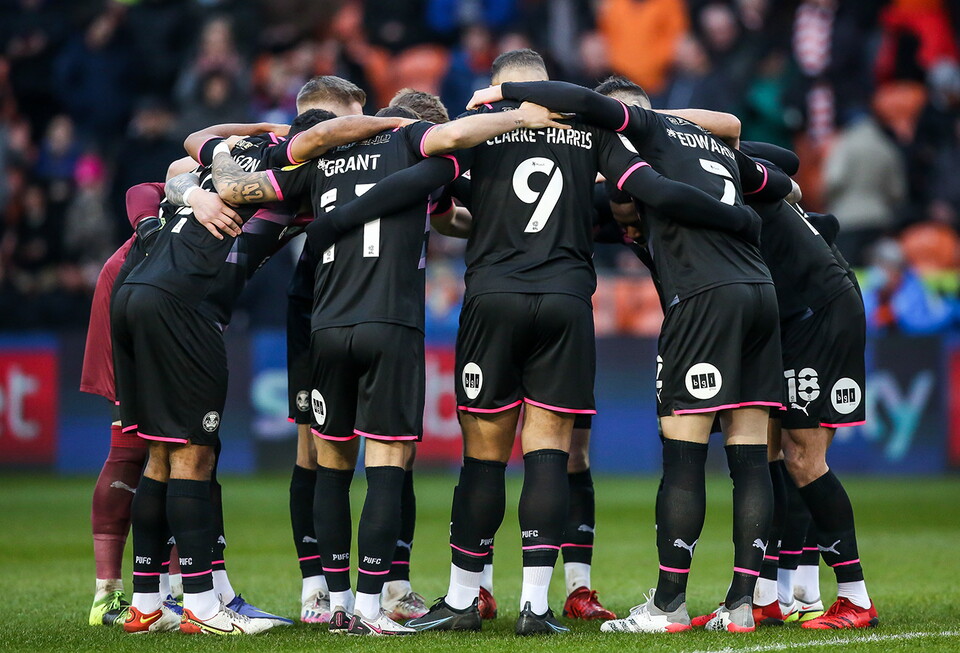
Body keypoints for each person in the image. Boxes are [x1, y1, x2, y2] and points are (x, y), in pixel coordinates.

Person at [307, 50, 765, 636]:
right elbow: (636, 190)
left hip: (493, 299)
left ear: (498, 89)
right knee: (549, 452)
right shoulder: (591, 131)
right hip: (567, 301)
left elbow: (424, 189)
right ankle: (536, 607)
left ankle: (463, 599)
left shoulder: (478, 132)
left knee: (483, 458)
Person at [210, 93, 570, 636]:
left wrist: (199, 185)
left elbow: (236, 184)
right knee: (386, 469)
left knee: (330, 469)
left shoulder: (318, 163)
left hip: (325, 328)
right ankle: (375, 609)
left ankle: (334, 604)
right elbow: (452, 148)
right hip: (392, 327)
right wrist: (522, 116)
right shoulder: (414, 146)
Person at [476, 74, 784, 633]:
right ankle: (742, 604)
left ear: (624, 117)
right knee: (750, 458)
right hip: (760, 293)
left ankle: (668, 605)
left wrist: (505, 93)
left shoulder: (644, 133)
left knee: (685, 460)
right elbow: (780, 175)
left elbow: (587, 107)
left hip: (704, 298)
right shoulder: (705, 141)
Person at [115, 109, 407, 635]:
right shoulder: (287, 171)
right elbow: (320, 139)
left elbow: (159, 173)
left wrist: (200, 183)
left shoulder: (224, 159)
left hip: (133, 291)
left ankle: (148, 603)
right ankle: (203, 608)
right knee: (193, 456)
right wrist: (392, 124)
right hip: (187, 305)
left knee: (159, 453)